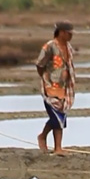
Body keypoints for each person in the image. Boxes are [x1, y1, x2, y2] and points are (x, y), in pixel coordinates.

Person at [35, 21, 76, 155]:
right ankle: (47, 139)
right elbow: (40, 64)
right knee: (56, 117)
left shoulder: (68, 47)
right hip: (50, 87)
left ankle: (55, 145)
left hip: (63, 88)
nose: (71, 36)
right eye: (69, 34)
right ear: (62, 32)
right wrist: (47, 79)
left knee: (61, 117)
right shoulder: (49, 47)